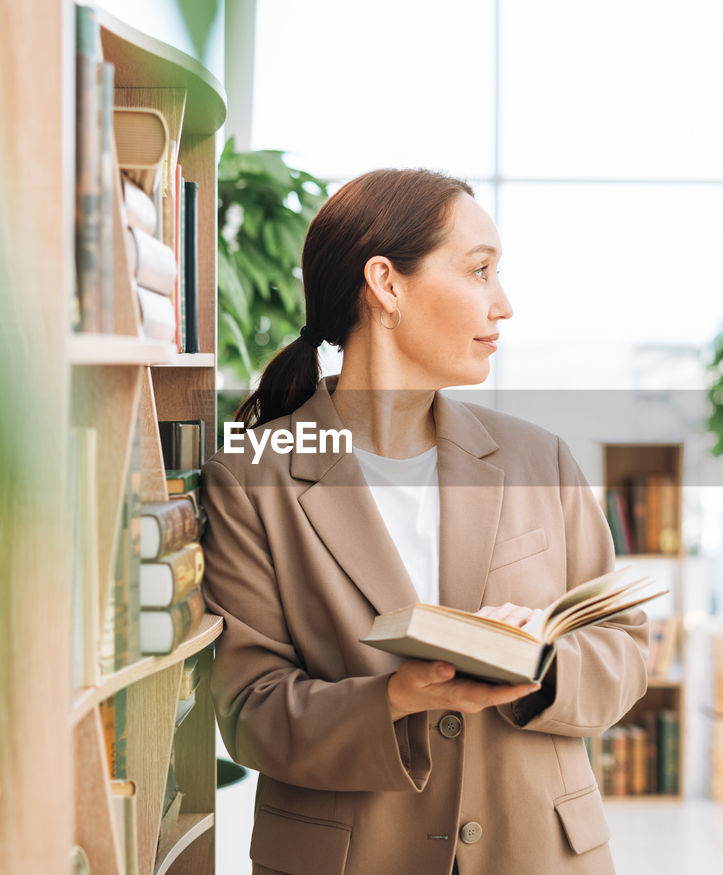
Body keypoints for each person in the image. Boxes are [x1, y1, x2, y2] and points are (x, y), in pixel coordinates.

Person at [201, 168, 649, 875]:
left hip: (534, 850)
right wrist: (398, 696)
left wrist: (544, 666)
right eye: (480, 271)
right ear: (386, 285)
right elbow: (248, 712)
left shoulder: (538, 457)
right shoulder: (253, 475)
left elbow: (624, 642)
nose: (504, 304)